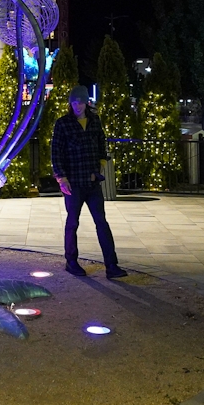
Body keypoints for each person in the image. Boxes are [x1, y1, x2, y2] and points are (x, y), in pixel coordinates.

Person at [51, 85, 128, 279]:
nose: (78, 105)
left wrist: (100, 165)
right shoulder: (63, 124)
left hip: (92, 182)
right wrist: (61, 178)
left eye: (81, 102)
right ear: (70, 103)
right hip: (74, 183)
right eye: (74, 102)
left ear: (87, 102)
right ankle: (71, 261)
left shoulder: (94, 122)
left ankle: (112, 265)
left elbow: (102, 144)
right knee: (72, 222)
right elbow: (56, 152)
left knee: (101, 222)